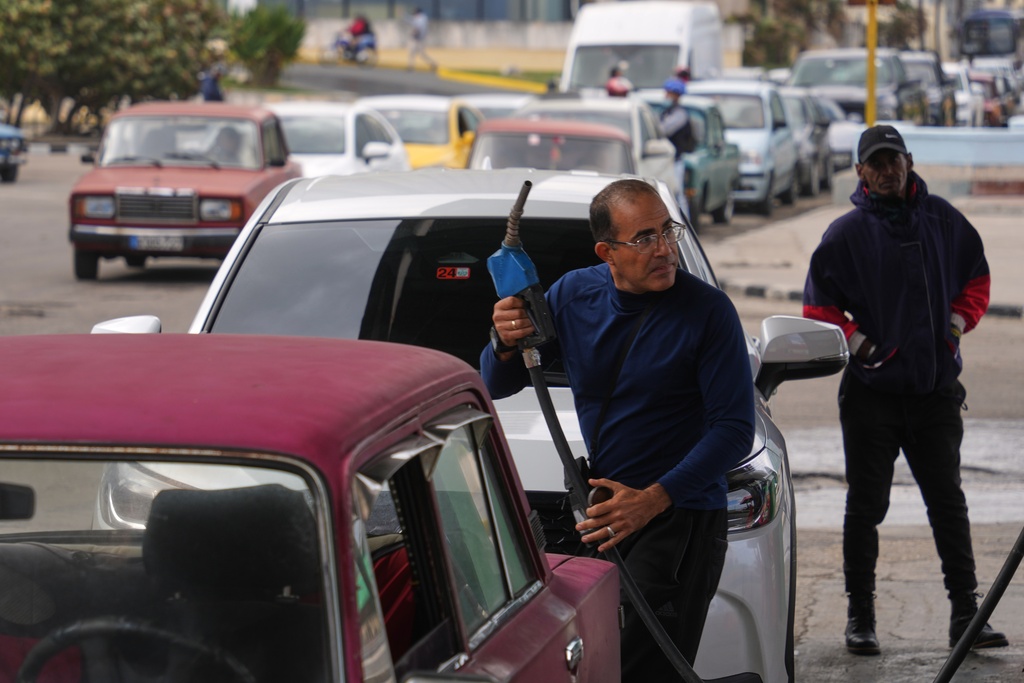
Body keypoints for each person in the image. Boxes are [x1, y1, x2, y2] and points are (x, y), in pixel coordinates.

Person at [480, 178, 754, 680]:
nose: (665, 250)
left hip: (680, 519)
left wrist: (652, 499)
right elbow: (497, 383)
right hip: (601, 515)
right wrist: (503, 338)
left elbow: (735, 429)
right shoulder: (572, 294)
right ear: (606, 251)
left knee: (648, 669)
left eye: (667, 232)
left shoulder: (708, 313)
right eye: (644, 238)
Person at [802, 125, 1008, 656]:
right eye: (877, 163)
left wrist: (956, 326)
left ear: (910, 162)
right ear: (860, 173)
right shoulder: (844, 236)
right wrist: (865, 348)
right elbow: (819, 310)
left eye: (895, 160)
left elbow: (977, 279)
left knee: (948, 503)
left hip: (935, 393)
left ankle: (967, 613)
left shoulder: (944, 220)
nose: (888, 170)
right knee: (866, 506)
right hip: (872, 397)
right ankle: (861, 616)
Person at [659, 78, 695, 213]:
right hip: (667, 160)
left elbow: (663, 130)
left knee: (677, 194)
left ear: (676, 95)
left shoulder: (680, 114)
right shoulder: (667, 112)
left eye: (669, 93)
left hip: (676, 161)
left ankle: (684, 227)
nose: (666, 96)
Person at [407, 7, 437, 72]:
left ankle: (432, 64)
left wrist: (413, 33)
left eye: (415, 13)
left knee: (417, 53)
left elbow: (418, 28)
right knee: (416, 53)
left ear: (418, 13)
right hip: (421, 38)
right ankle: (411, 66)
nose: (414, 15)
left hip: (418, 38)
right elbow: (412, 21)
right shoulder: (423, 18)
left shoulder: (420, 19)